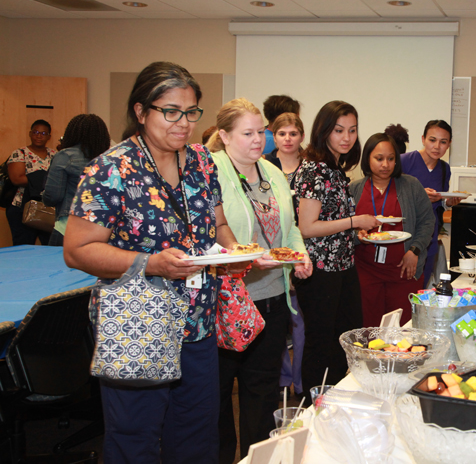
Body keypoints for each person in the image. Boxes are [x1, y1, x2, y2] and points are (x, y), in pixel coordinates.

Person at [64, 61, 247, 462]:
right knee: (136, 440)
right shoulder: (111, 169)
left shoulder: (201, 162)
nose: (183, 123)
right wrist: (151, 263)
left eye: (191, 112)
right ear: (141, 111)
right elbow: (77, 250)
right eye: (171, 111)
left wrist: (233, 251)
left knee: (197, 437)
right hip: (138, 322)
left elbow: (217, 222)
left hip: (196, 322)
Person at [207, 98, 312, 462]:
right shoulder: (211, 171)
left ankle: (256, 457)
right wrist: (246, 257)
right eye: (247, 133)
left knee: (262, 391)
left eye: (260, 132)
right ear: (224, 135)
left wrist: (299, 254)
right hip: (227, 300)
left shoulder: (271, 171)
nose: (257, 140)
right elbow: (209, 233)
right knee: (218, 395)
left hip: (270, 295)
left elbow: (291, 227)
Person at [293, 100, 380, 397]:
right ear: (324, 130)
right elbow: (308, 227)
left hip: (342, 265)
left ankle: (332, 402)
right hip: (319, 270)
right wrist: (355, 221)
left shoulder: (335, 167)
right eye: (339, 130)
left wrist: (356, 231)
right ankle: (313, 408)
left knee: (346, 338)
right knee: (322, 344)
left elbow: (331, 222)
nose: (347, 137)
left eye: (352, 130)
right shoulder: (315, 169)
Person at [350, 133, 435, 327]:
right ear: (367, 159)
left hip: (404, 271)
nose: (385, 165)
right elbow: (344, 225)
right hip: (365, 272)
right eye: (379, 159)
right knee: (368, 328)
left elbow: (427, 222)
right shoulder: (354, 188)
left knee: (402, 329)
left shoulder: (411, 185)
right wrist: (357, 236)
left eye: (391, 159)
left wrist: (415, 250)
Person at [263, 111, 306, 400]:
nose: (288, 139)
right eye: (282, 134)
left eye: (293, 133)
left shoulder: (311, 167)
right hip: (272, 252)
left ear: (301, 135)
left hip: (305, 251)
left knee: (301, 321)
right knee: (277, 322)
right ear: (274, 136)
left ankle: (300, 380)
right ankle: (281, 377)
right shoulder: (263, 166)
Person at [401, 120, 463, 286]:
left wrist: (448, 203)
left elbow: (439, 205)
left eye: (443, 142)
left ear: (449, 144)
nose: (437, 146)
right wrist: (419, 196)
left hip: (430, 236)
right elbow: (391, 196)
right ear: (423, 139)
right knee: (402, 288)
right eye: (432, 140)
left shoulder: (444, 169)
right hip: (405, 235)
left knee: (421, 286)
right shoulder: (404, 162)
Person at [42, 114, 111, 246]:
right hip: (102, 229)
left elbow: (53, 196)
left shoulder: (65, 156)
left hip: (68, 227)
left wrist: (43, 195)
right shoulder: (110, 158)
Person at [5, 119, 56, 245]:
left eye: (44, 133)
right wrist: (45, 178)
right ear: (30, 134)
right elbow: (17, 179)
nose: (39, 136)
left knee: (50, 247)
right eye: (36, 132)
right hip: (21, 208)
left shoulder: (55, 155)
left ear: (49, 136)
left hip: (47, 208)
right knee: (23, 247)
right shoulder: (20, 153)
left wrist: (34, 178)